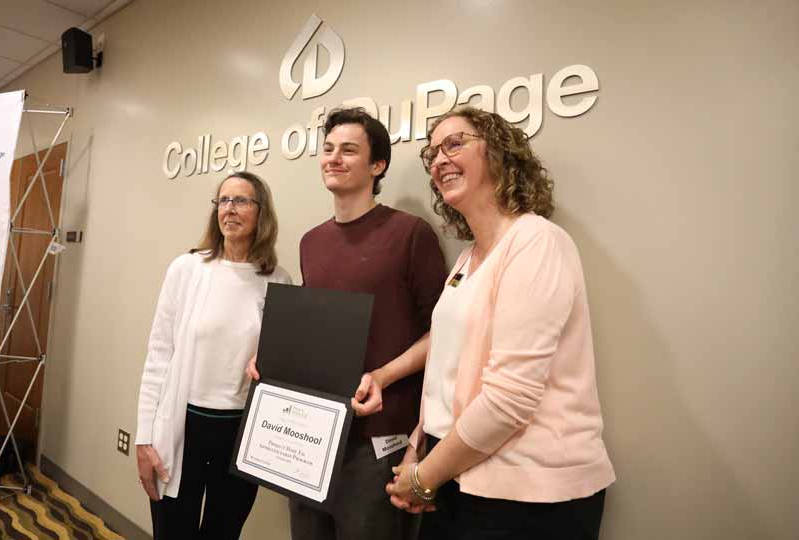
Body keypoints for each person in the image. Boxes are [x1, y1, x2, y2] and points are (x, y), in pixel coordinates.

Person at [386, 106, 616, 539]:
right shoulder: (466, 259)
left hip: (528, 497)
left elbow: (509, 398)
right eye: (432, 153)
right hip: (455, 473)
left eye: (455, 143)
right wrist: (418, 448)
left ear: (499, 154)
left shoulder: (537, 242)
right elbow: (447, 372)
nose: (438, 160)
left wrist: (422, 478)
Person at [249, 107, 447, 540]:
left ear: (377, 166)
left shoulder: (411, 234)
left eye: (349, 150)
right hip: (311, 433)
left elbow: (446, 334)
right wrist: (269, 356)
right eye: (328, 149)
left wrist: (382, 375)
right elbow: (315, 328)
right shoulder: (311, 242)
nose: (333, 158)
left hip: (378, 440)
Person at [135, 172, 292, 540]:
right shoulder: (187, 269)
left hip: (239, 434)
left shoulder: (278, 281)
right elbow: (158, 355)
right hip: (182, 426)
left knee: (223, 532)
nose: (230, 209)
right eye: (223, 200)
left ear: (261, 212)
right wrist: (144, 437)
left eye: (241, 201)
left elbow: (279, 362)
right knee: (173, 531)